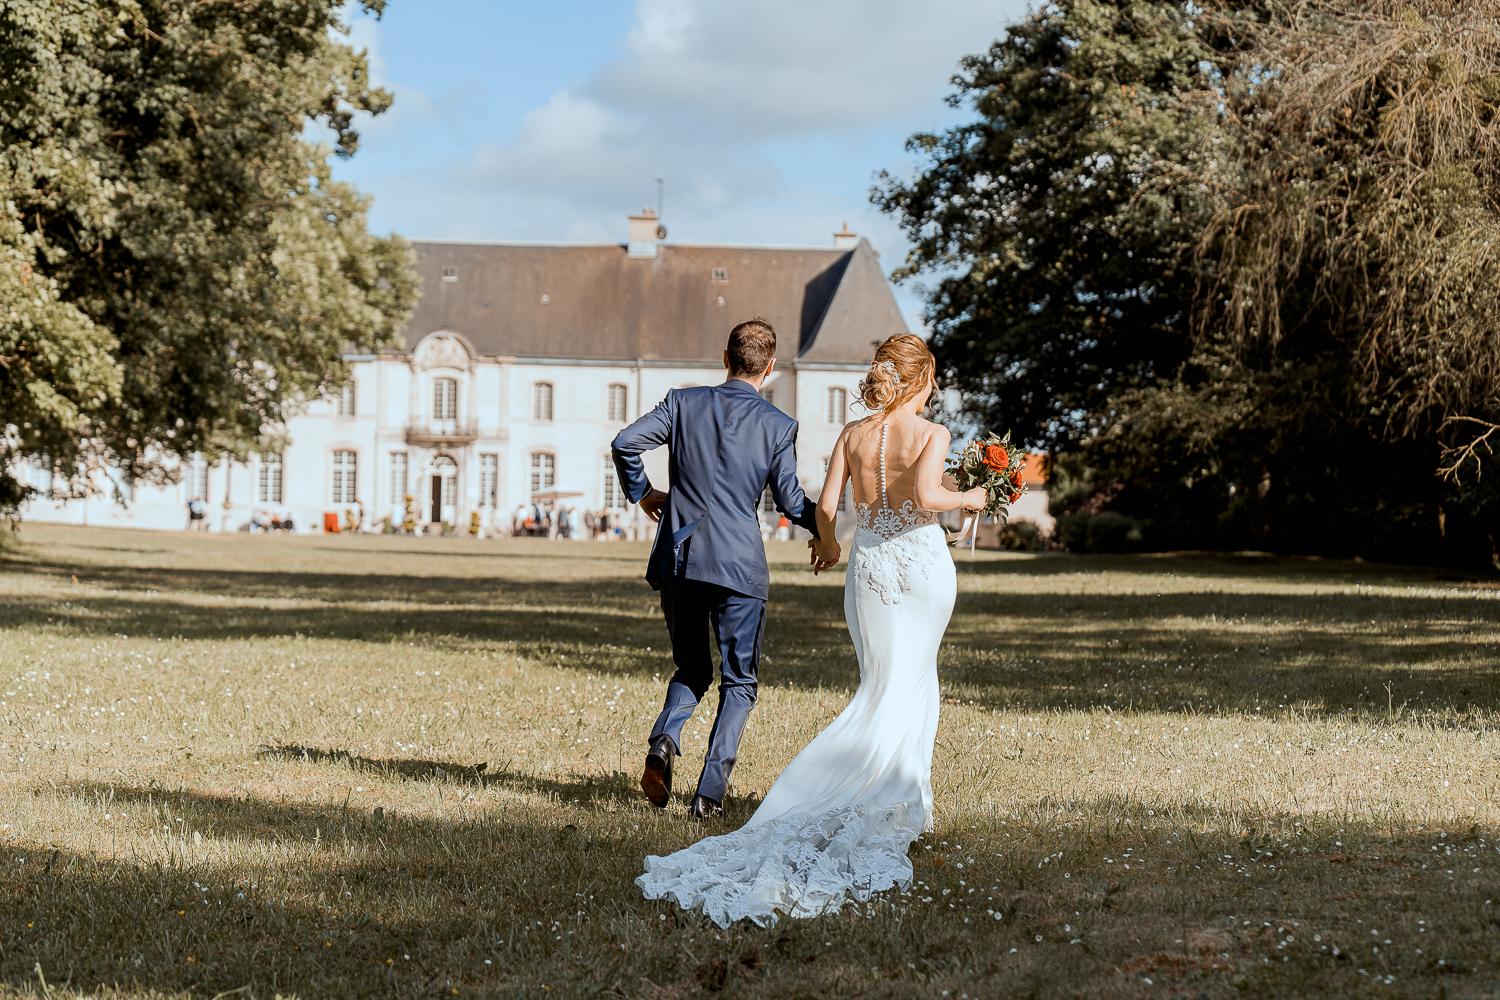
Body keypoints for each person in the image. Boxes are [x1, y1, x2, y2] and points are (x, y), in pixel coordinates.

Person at [636, 333, 987, 928]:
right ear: (921, 379)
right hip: (921, 564)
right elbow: (929, 496)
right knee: (912, 677)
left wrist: (827, 545)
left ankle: (906, 798)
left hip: (871, 564)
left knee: (882, 681)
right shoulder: (933, 434)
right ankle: (894, 798)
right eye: (932, 381)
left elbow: (826, 507)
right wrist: (974, 494)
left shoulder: (852, 434)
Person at [612, 318, 828, 824]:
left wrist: (642, 493)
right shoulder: (778, 426)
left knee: (691, 669)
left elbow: (626, 442)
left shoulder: (683, 404)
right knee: (739, 683)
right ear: (770, 369)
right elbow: (791, 502)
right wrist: (826, 525)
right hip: (739, 566)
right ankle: (708, 796)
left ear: (725, 357)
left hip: (681, 558)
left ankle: (664, 742)